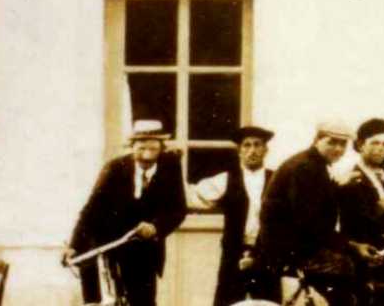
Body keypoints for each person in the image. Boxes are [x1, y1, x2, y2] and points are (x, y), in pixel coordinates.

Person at [64, 119, 188, 306]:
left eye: (153, 145)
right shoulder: (114, 168)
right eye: (141, 145)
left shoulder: (170, 167)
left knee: (143, 302)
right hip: (109, 244)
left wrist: (156, 227)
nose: (146, 153)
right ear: (132, 146)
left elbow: (178, 209)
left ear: (161, 147)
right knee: (104, 300)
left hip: (145, 250)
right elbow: (91, 209)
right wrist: (74, 245)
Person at [259, 119, 358, 306]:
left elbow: (317, 205)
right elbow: (310, 223)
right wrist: (351, 245)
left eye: (343, 144)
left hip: (293, 247)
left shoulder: (314, 164)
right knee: (348, 266)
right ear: (317, 140)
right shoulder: (306, 167)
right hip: (288, 251)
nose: (338, 149)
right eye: (332, 142)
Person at [188, 123, 277, 306]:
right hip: (234, 252)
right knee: (227, 301)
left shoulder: (277, 180)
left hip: (267, 254)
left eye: (257, 145)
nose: (252, 151)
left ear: (265, 150)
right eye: (247, 145)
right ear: (239, 151)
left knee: (268, 302)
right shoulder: (225, 179)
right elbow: (193, 196)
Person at [342, 118, 384, 302]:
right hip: (364, 253)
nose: (381, 148)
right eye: (375, 143)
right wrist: (380, 208)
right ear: (360, 145)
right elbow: (355, 220)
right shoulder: (353, 179)